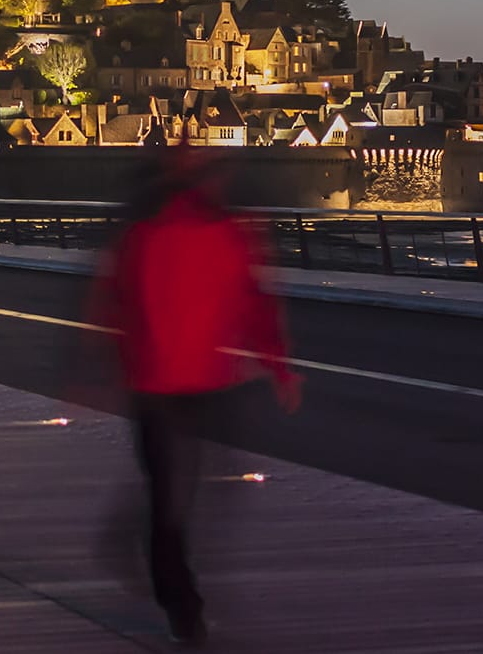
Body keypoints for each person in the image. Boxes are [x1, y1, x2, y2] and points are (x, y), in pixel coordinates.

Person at [88, 156, 300, 648]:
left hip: (166, 384)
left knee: (173, 498)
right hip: (191, 385)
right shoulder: (224, 233)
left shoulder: (146, 234)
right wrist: (279, 368)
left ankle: (166, 581)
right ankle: (184, 607)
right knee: (177, 500)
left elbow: (112, 302)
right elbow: (256, 301)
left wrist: (110, 362)